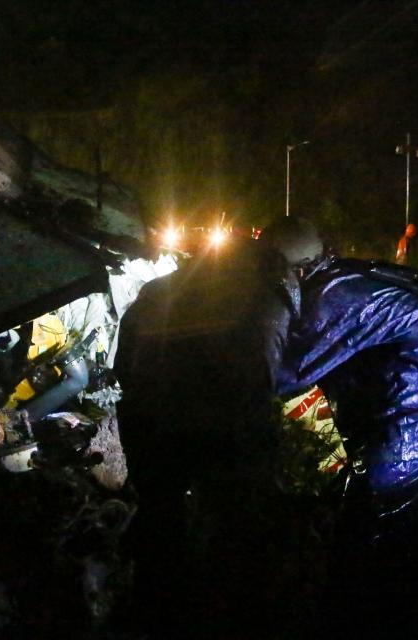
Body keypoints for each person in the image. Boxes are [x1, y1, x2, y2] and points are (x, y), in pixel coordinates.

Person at [265, 216, 418, 636]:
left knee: (381, 510)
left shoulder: (332, 296)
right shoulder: (338, 280)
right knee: (389, 519)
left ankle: (367, 616)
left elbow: (283, 372)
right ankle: (381, 606)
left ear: (295, 270)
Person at [113, 236, 296, 635]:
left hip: (151, 422)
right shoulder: (265, 299)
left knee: (160, 520)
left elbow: (123, 363)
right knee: (230, 529)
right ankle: (218, 613)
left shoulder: (159, 288)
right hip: (220, 432)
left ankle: (153, 610)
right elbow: (260, 378)